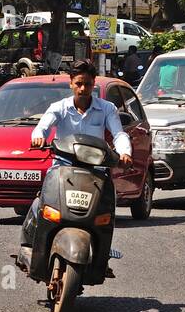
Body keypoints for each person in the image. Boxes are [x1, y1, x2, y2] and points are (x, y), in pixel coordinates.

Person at [20, 60, 131, 256]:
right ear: (71, 83)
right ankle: (30, 243)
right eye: (78, 83)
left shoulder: (107, 108)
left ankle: (103, 249)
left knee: (107, 206)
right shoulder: (59, 107)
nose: (83, 89)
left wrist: (125, 152)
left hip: (95, 169)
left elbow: (119, 134)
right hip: (62, 166)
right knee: (44, 201)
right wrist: (38, 136)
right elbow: (43, 126)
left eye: (87, 84)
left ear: (93, 84)